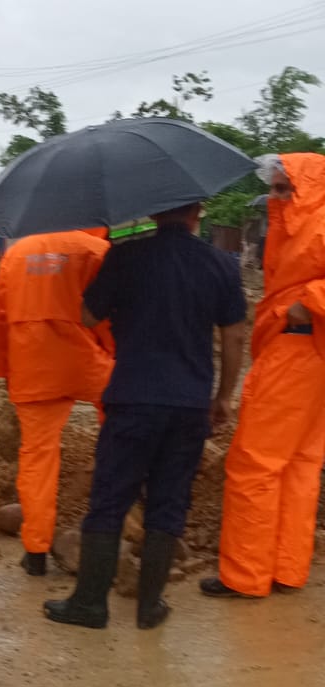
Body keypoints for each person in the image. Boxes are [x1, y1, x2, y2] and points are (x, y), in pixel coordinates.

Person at [44, 202, 246, 630]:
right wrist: (224, 396)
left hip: (134, 398)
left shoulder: (126, 255)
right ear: (200, 212)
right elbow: (233, 336)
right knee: (169, 502)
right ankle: (149, 607)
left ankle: (90, 605)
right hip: (190, 404)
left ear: (155, 212)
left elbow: (87, 315)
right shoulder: (221, 265)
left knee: (111, 499)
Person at [203, 151, 325, 599]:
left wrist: (307, 301)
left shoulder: (315, 222)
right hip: (305, 350)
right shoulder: (297, 223)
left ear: (306, 186)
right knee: (299, 464)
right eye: (273, 187)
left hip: (297, 348)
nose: (274, 196)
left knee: (254, 462)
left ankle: (246, 575)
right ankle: (286, 569)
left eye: (282, 187)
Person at [0, 229, 114, 575]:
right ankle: (122, 522)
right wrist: (116, 361)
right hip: (83, 359)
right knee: (121, 429)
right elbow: (109, 315)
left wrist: (5, 368)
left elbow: (1, 318)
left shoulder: (16, 254)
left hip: (33, 362)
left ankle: (36, 551)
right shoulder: (95, 250)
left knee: (37, 459)